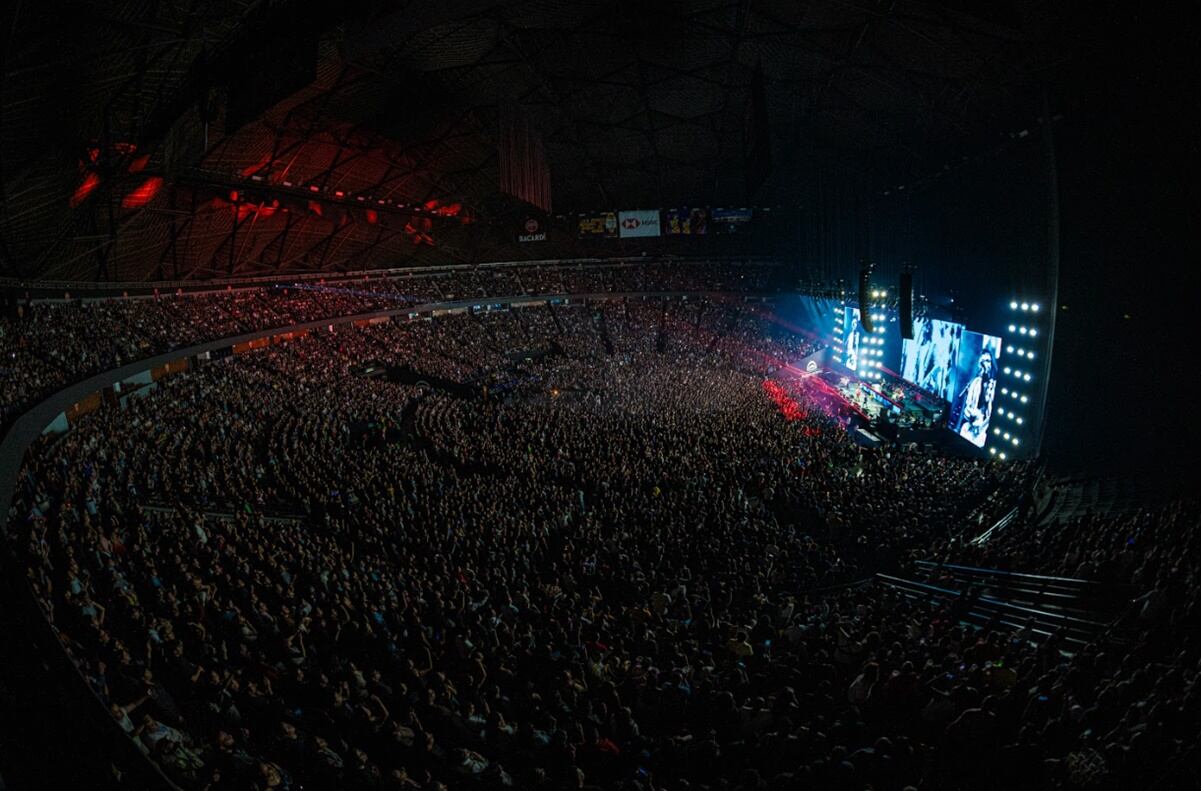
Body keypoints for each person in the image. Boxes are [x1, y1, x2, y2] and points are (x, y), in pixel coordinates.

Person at [956, 349, 997, 447]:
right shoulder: (976, 382)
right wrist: (970, 414)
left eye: (987, 361)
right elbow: (967, 406)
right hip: (971, 425)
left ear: (992, 363)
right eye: (982, 361)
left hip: (983, 429)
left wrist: (981, 427)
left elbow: (993, 414)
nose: (985, 364)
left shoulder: (995, 385)